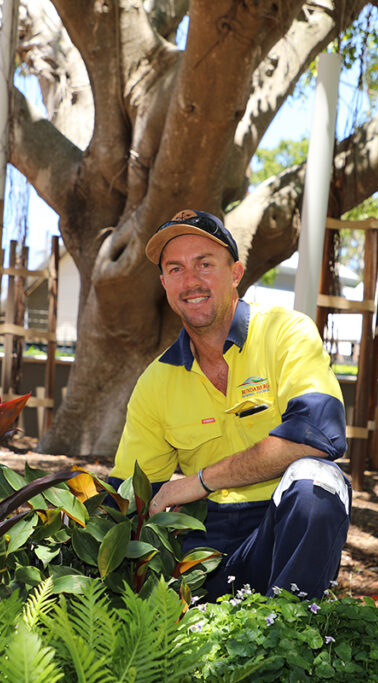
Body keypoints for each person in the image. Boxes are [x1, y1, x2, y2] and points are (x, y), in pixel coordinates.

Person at [108, 208, 351, 600]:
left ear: (236, 273)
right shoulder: (155, 381)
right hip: (203, 544)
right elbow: (129, 495)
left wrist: (200, 481)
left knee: (318, 481)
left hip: (281, 529)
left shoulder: (285, 333)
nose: (190, 281)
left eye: (204, 264)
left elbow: (319, 434)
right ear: (164, 284)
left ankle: (292, 633)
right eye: (175, 269)